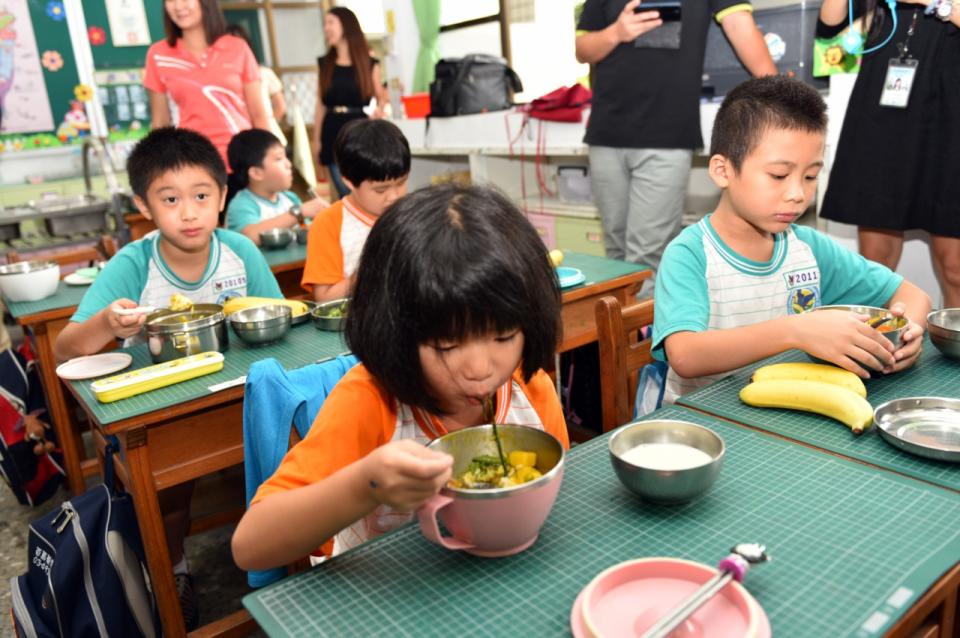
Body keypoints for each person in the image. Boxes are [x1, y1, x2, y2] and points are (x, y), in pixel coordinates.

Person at [231, 183, 569, 571]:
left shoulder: (530, 385)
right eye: (446, 345)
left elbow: (553, 494)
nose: (480, 368)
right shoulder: (369, 400)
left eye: (504, 336)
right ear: (397, 331)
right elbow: (250, 547)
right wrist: (365, 485)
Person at [54, 127, 283, 630]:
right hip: (164, 410)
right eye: (170, 199)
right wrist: (106, 325)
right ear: (144, 205)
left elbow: (276, 314)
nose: (189, 212)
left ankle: (290, 552)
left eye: (202, 196)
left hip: (241, 394)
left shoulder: (240, 251)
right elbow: (64, 349)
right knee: (169, 498)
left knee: (286, 462)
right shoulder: (134, 263)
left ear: (223, 196)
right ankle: (175, 569)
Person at [652, 76, 932, 404]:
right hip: (704, 423)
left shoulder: (808, 248)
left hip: (783, 418)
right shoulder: (690, 254)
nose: (799, 194)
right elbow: (686, 356)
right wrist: (797, 330)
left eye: (811, 176)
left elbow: (913, 296)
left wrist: (909, 331)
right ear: (723, 171)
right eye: (779, 176)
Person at [575, 0, 776, 292]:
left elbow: (739, 25)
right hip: (606, 134)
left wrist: (781, 94)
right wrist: (617, 32)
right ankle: (619, 334)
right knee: (616, 252)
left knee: (646, 258)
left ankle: (642, 337)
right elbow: (582, 49)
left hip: (666, 134)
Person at [817, 0, 960, 308]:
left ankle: (953, 349)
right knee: (875, 264)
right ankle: (878, 347)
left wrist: (936, 4)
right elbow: (829, 27)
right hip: (885, 115)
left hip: (952, 117)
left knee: (955, 269)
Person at [144, 0, 268, 169]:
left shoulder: (237, 48)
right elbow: (160, 123)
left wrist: (265, 162)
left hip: (242, 162)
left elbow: (259, 115)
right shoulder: (158, 54)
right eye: (171, 0)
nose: (178, 6)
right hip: (194, 165)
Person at [301, 119, 409, 303]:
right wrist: (366, 273)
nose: (394, 196)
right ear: (349, 181)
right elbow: (324, 299)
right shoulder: (330, 223)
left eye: (401, 183)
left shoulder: (412, 213)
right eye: (381, 190)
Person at [313, 6, 389, 200]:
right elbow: (320, 104)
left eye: (331, 22)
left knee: (362, 187)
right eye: (324, 24)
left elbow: (382, 97)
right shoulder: (325, 64)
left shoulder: (369, 63)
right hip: (331, 131)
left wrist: (380, 111)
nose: (326, 28)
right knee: (344, 191)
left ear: (346, 25)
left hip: (359, 130)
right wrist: (316, 140)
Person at [225, 128, 326, 244]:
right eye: (279, 158)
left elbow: (307, 230)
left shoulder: (290, 198)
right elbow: (250, 236)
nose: (288, 164)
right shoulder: (242, 204)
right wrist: (298, 213)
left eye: (286, 157)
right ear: (256, 173)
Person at [226, 23, 288, 147]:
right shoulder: (224, 78)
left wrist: (266, 120)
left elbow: (281, 106)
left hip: (268, 135)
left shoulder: (263, 72)